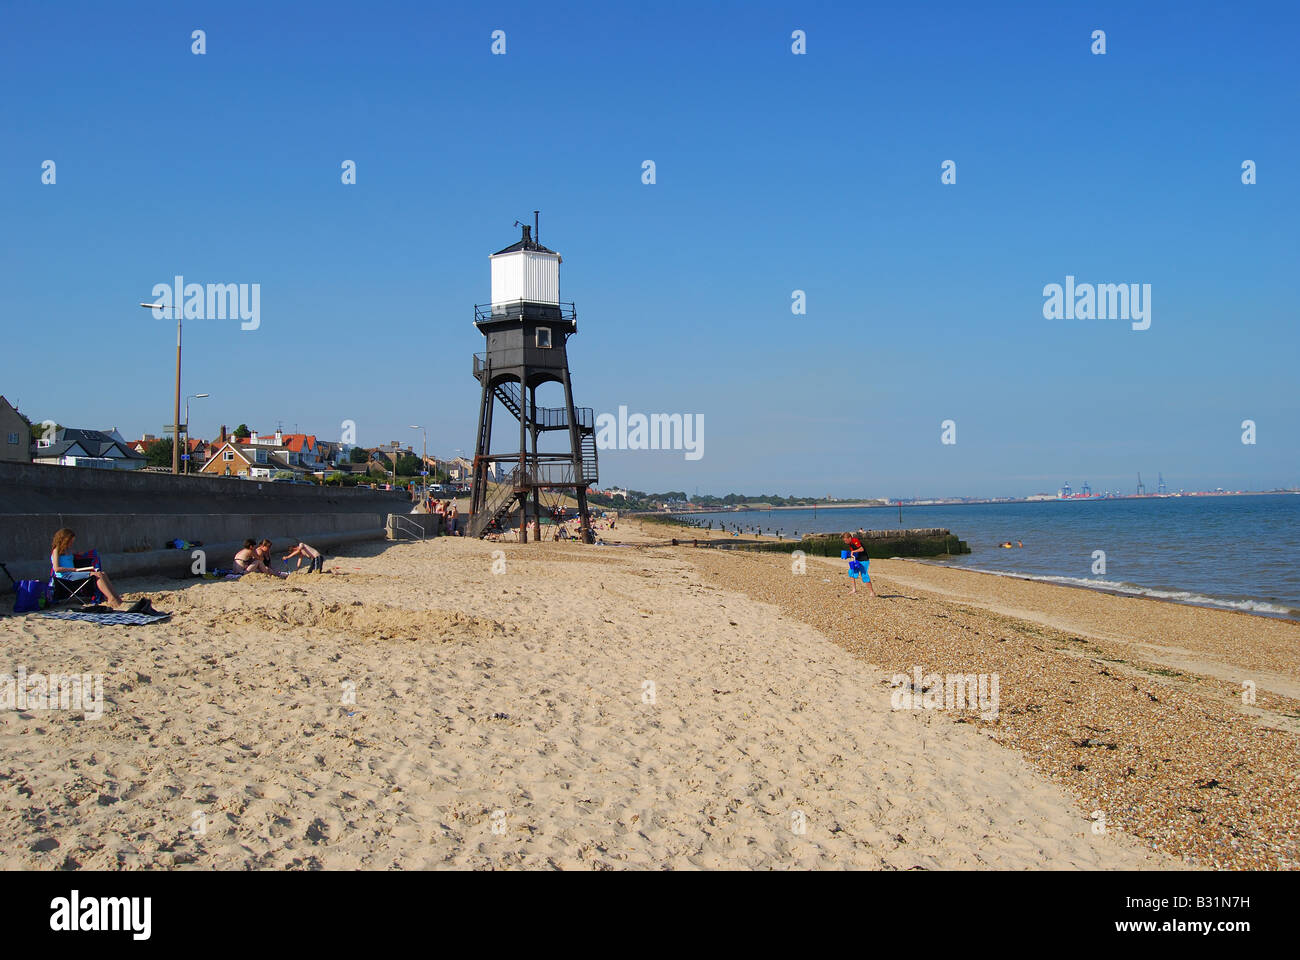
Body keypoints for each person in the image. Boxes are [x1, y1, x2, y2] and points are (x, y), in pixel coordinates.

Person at [50, 527, 124, 607]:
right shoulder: (56, 550)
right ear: (64, 540)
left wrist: (80, 554)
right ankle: (110, 598)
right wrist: (75, 569)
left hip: (73, 574)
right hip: (66, 577)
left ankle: (116, 597)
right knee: (97, 575)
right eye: (70, 541)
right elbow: (56, 569)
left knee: (102, 573)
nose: (71, 543)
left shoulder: (68, 550)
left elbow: (73, 555)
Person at [842, 532, 877, 597]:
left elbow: (861, 549)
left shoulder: (855, 540)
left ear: (849, 538)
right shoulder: (850, 544)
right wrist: (848, 555)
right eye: (844, 541)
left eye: (846, 540)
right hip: (857, 560)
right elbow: (855, 553)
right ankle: (854, 589)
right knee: (851, 572)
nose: (845, 542)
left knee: (864, 575)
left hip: (864, 560)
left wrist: (853, 551)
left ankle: (872, 592)